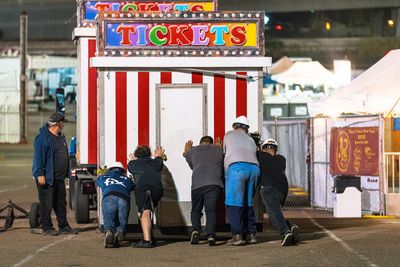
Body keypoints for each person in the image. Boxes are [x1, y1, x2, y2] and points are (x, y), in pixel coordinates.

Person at [32, 112, 78, 235]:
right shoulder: (42, 138)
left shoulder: (60, 137)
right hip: (47, 178)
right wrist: (39, 174)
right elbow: (38, 157)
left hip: (59, 178)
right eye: (62, 123)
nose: (63, 125)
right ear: (57, 124)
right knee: (46, 203)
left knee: (61, 203)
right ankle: (46, 227)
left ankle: (63, 226)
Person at [223, 116, 260, 245]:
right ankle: (252, 234)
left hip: (237, 168)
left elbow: (226, 155)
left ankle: (237, 235)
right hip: (254, 169)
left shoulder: (228, 135)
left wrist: (226, 173)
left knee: (234, 203)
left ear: (234, 127)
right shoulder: (251, 140)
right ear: (247, 129)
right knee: (248, 202)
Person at [257, 139, 299, 246]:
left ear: (263, 149)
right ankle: (290, 226)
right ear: (276, 150)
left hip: (268, 187)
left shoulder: (260, 156)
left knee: (273, 214)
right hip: (282, 188)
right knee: (276, 212)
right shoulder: (281, 159)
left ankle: (285, 232)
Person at [183, 136, 224, 246]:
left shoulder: (193, 151)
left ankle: (195, 230)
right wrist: (218, 146)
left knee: (196, 209)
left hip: (197, 185)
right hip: (213, 184)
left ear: (200, 142)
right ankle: (210, 235)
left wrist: (186, 151)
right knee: (210, 211)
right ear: (211, 143)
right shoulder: (218, 149)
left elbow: (186, 157)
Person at [127, 146, 165, 248]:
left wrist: (132, 161)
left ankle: (147, 241)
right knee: (149, 211)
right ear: (149, 154)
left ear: (136, 155)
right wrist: (158, 156)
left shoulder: (132, 164)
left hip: (142, 188)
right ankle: (150, 237)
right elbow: (159, 159)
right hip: (157, 188)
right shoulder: (156, 162)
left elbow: (132, 166)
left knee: (145, 212)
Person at [96, 162, 134, 248]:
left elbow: (97, 182)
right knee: (122, 220)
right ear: (122, 171)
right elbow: (133, 186)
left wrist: (101, 175)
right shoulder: (126, 179)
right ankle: (120, 230)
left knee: (109, 219)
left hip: (108, 197)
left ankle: (109, 232)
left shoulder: (103, 177)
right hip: (123, 198)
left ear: (109, 169)